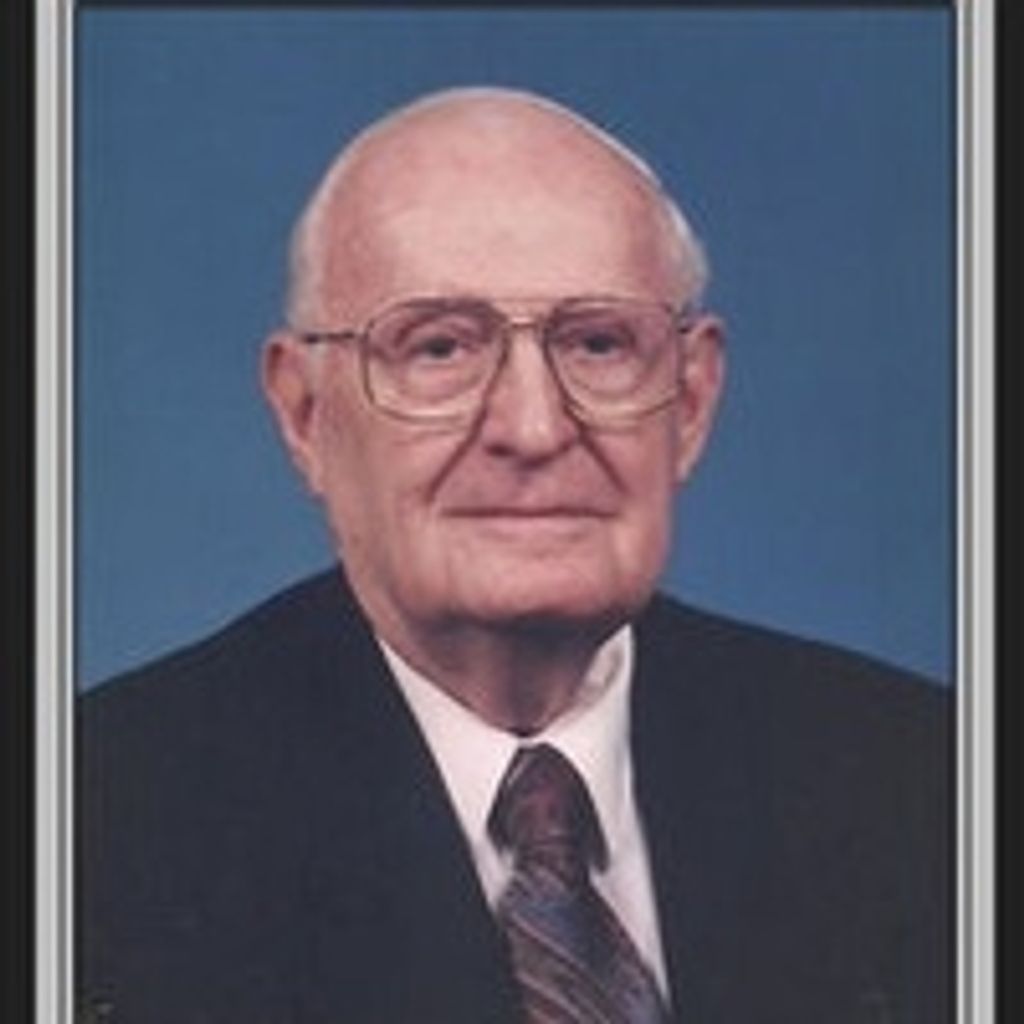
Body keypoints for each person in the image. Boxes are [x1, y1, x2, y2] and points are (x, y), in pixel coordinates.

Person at [77, 87, 951, 1024]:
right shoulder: (96, 824)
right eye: (440, 348)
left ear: (691, 403)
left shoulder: (922, 779)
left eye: (599, 342)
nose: (534, 428)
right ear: (305, 415)